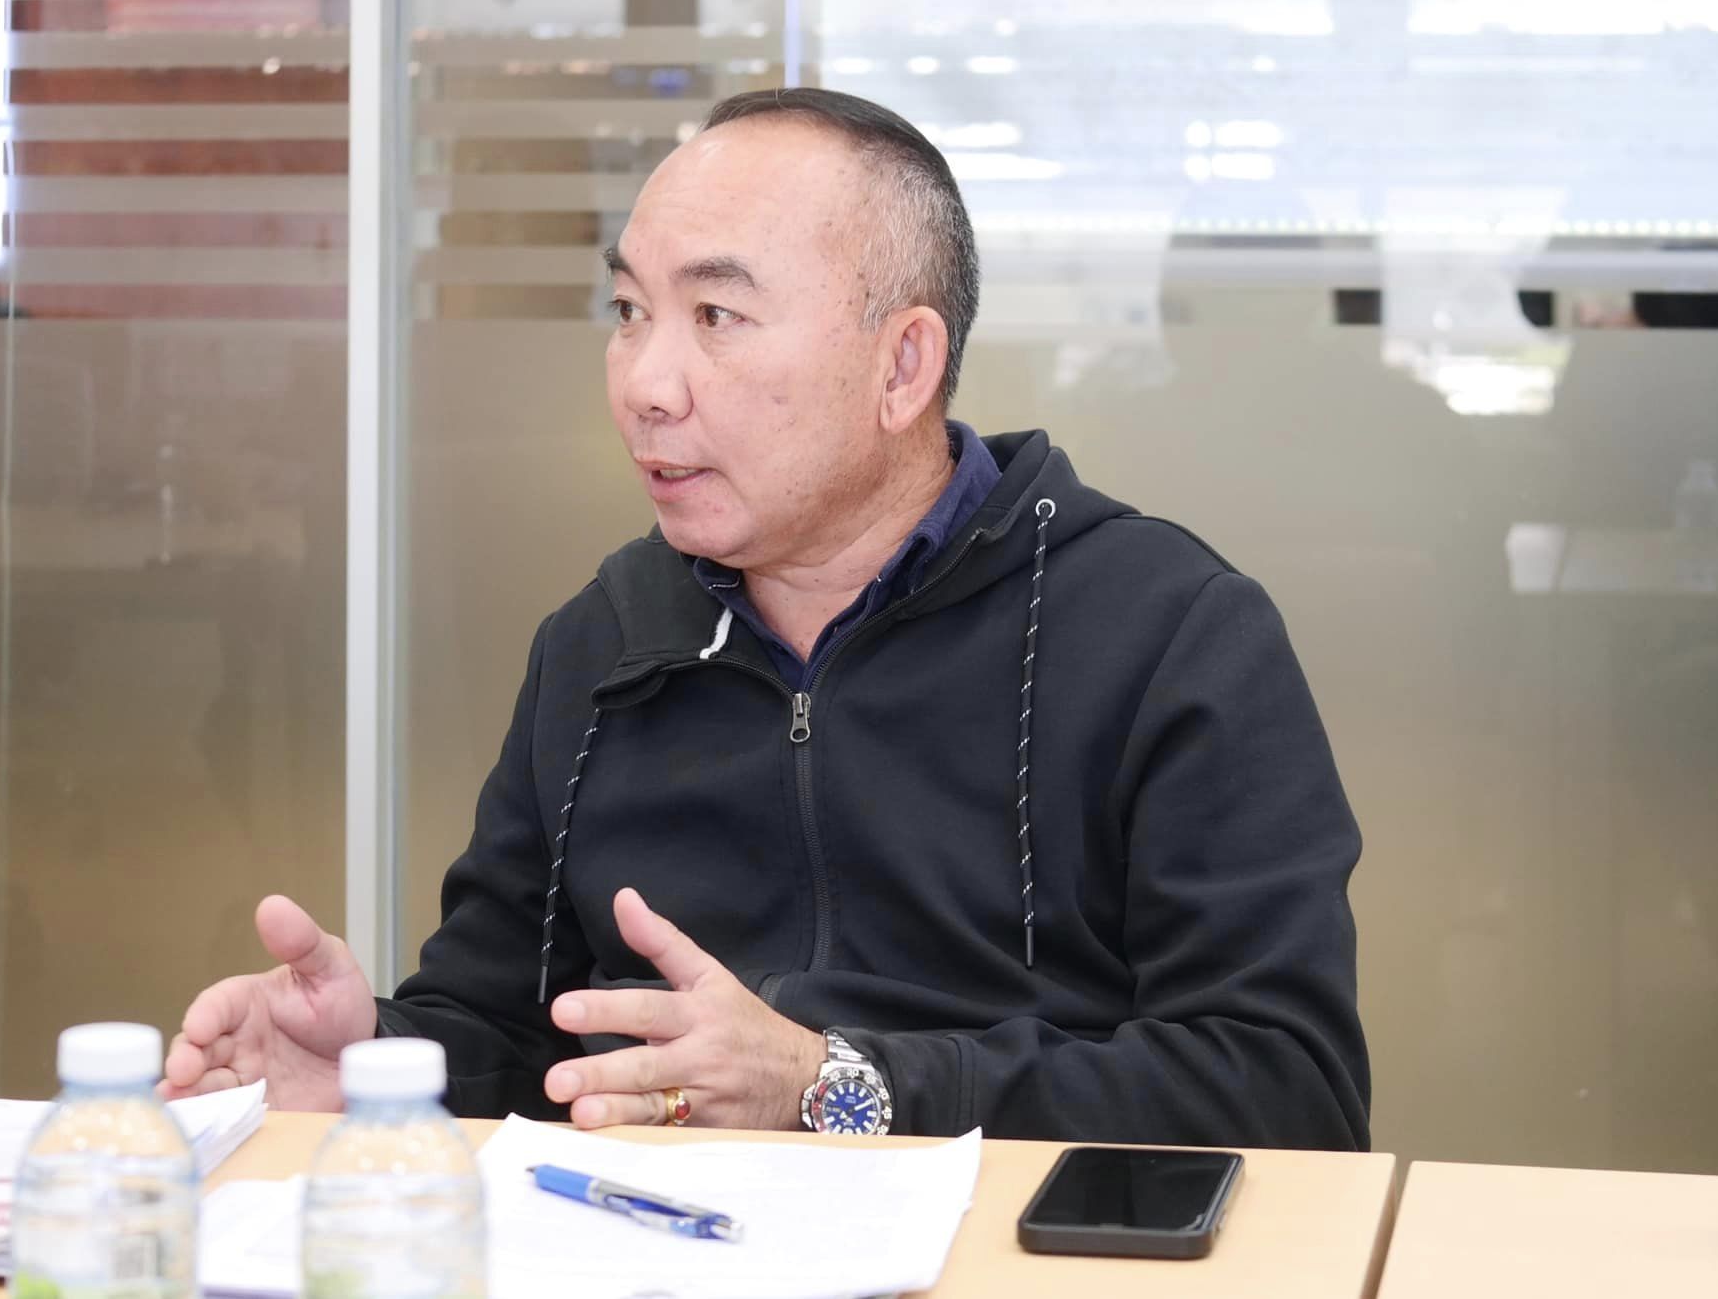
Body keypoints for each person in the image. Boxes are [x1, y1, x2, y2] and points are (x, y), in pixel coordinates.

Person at [163, 89, 1370, 1148]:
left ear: (901, 367)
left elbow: (1285, 1089)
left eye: (716, 316)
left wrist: (833, 1084)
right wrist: (375, 1064)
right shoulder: (604, 643)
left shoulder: (1163, 633)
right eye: (629, 310)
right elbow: (516, 1031)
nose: (645, 382)